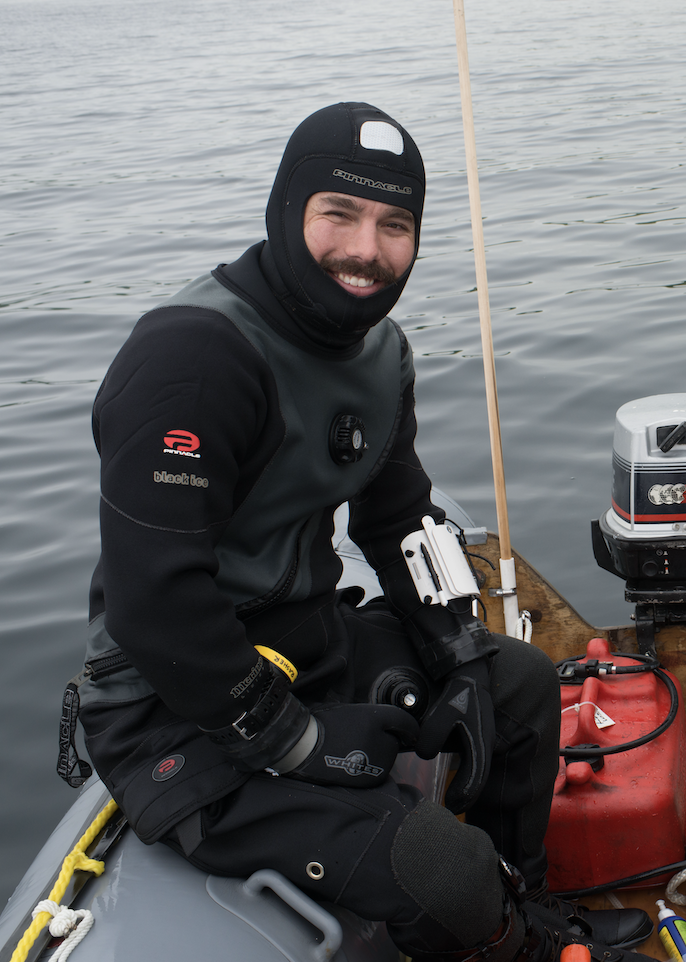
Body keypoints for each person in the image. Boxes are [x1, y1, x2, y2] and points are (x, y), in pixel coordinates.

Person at [64, 103, 656, 962]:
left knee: (521, 686)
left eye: (395, 224)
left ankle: (531, 903)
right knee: (430, 863)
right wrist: (302, 743)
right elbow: (156, 607)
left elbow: (398, 517)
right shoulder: (193, 358)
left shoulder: (383, 354)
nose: (366, 250)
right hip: (174, 707)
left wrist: (453, 649)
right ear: (287, 208)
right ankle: (518, 944)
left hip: (309, 643)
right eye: (338, 214)